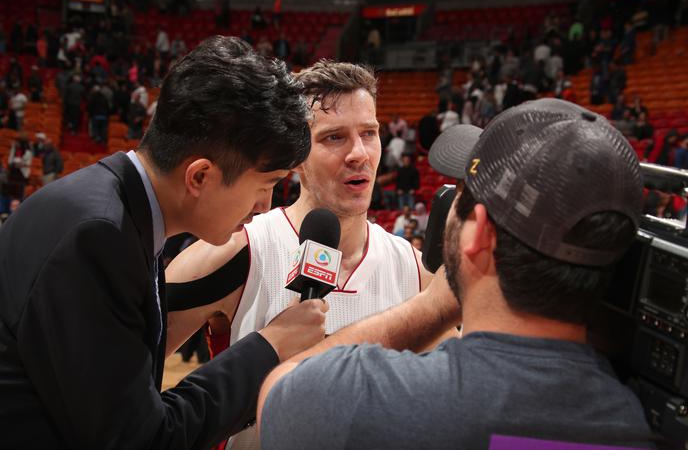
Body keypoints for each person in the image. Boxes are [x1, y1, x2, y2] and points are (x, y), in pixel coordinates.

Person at [257, 98, 655, 449]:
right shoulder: (643, 420)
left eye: (460, 193)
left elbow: (280, 392)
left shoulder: (367, 398)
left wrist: (435, 306)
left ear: (479, 235)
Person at [0, 36, 329, 449]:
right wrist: (269, 346)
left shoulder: (114, 210)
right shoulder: (97, 237)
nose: (265, 205)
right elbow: (141, 440)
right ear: (200, 177)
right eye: (266, 185)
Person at [165, 61, 440, 449]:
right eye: (334, 138)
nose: (359, 153)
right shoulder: (238, 251)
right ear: (294, 154)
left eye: (369, 133)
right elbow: (124, 376)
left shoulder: (415, 271)